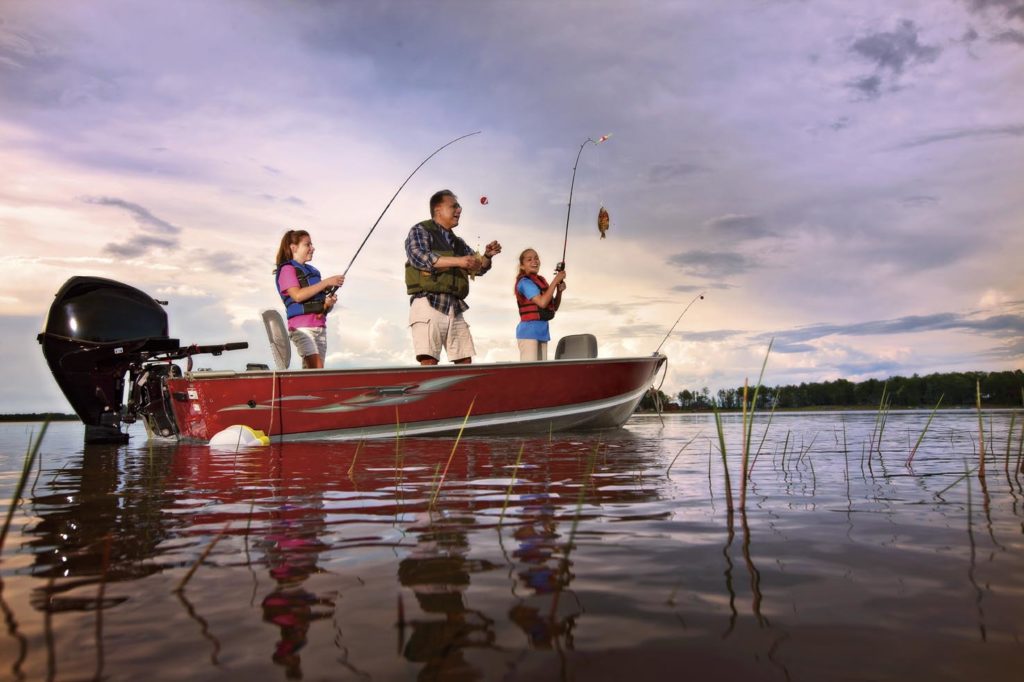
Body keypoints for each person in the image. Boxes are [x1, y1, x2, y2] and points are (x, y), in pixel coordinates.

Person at [405, 189, 502, 365]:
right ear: (438, 210)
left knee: (465, 361)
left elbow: (478, 268)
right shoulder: (421, 230)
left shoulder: (459, 242)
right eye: (454, 206)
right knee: (429, 361)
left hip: (454, 308)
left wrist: (487, 256)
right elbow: (418, 256)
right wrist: (459, 261)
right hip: (428, 304)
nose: (460, 210)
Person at [274, 229, 345, 369]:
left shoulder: (314, 272)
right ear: (293, 248)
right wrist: (326, 282)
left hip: (320, 328)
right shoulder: (287, 270)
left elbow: (322, 309)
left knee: (314, 374)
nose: (312, 248)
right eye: (308, 245)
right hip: (302, 328)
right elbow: (298, 296)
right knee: (317, 370)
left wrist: (327, 304)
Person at [514, 249, 566, 361]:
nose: (535, 261)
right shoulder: (524, 282)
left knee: (541, 372)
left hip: (542, 332)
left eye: (536, 258)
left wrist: (559, 291)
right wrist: (556, 279)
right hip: (528, 334)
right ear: (522, 266)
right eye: (529, 259)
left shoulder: (541, 281)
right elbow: (542, 303)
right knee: (529, 372)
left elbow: (554, 307)